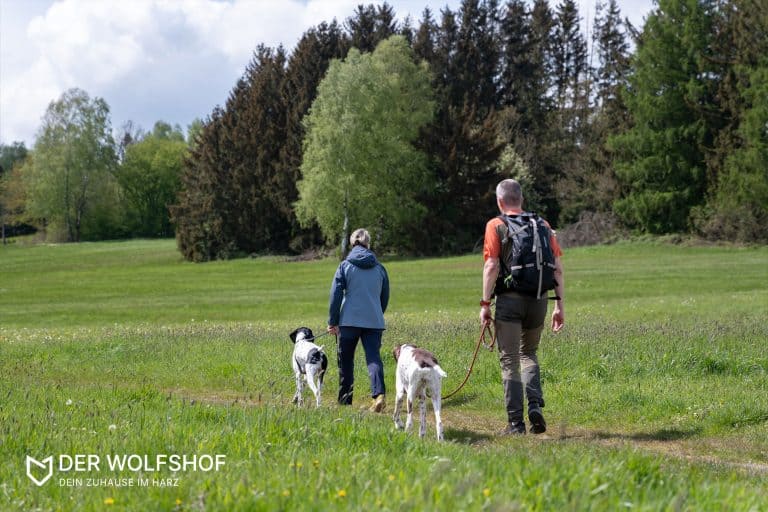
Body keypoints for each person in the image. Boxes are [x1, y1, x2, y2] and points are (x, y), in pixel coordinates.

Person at [480, 179, 565, 435]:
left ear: (499, 201)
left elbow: (491, 266)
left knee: (509, 360)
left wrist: (485, 304)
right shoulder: (543, 225)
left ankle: (515, 423)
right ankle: (536, 405)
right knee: (529, 353)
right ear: (521, 199)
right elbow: (558, 269)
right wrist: (559, 305)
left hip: (510, 302)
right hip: (539, 299)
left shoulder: (495, 225)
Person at [328, 228, 390, 412]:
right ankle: (379, 395)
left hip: (349, 321)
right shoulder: (380, 268)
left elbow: (335, 295)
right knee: (373, 358)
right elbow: (384, 297)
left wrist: (333, 321)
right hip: (374, 321)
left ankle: (345, 401)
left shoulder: (345, 266)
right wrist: (376, 313)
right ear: (368, 243)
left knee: (346, 360)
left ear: (352, 243)